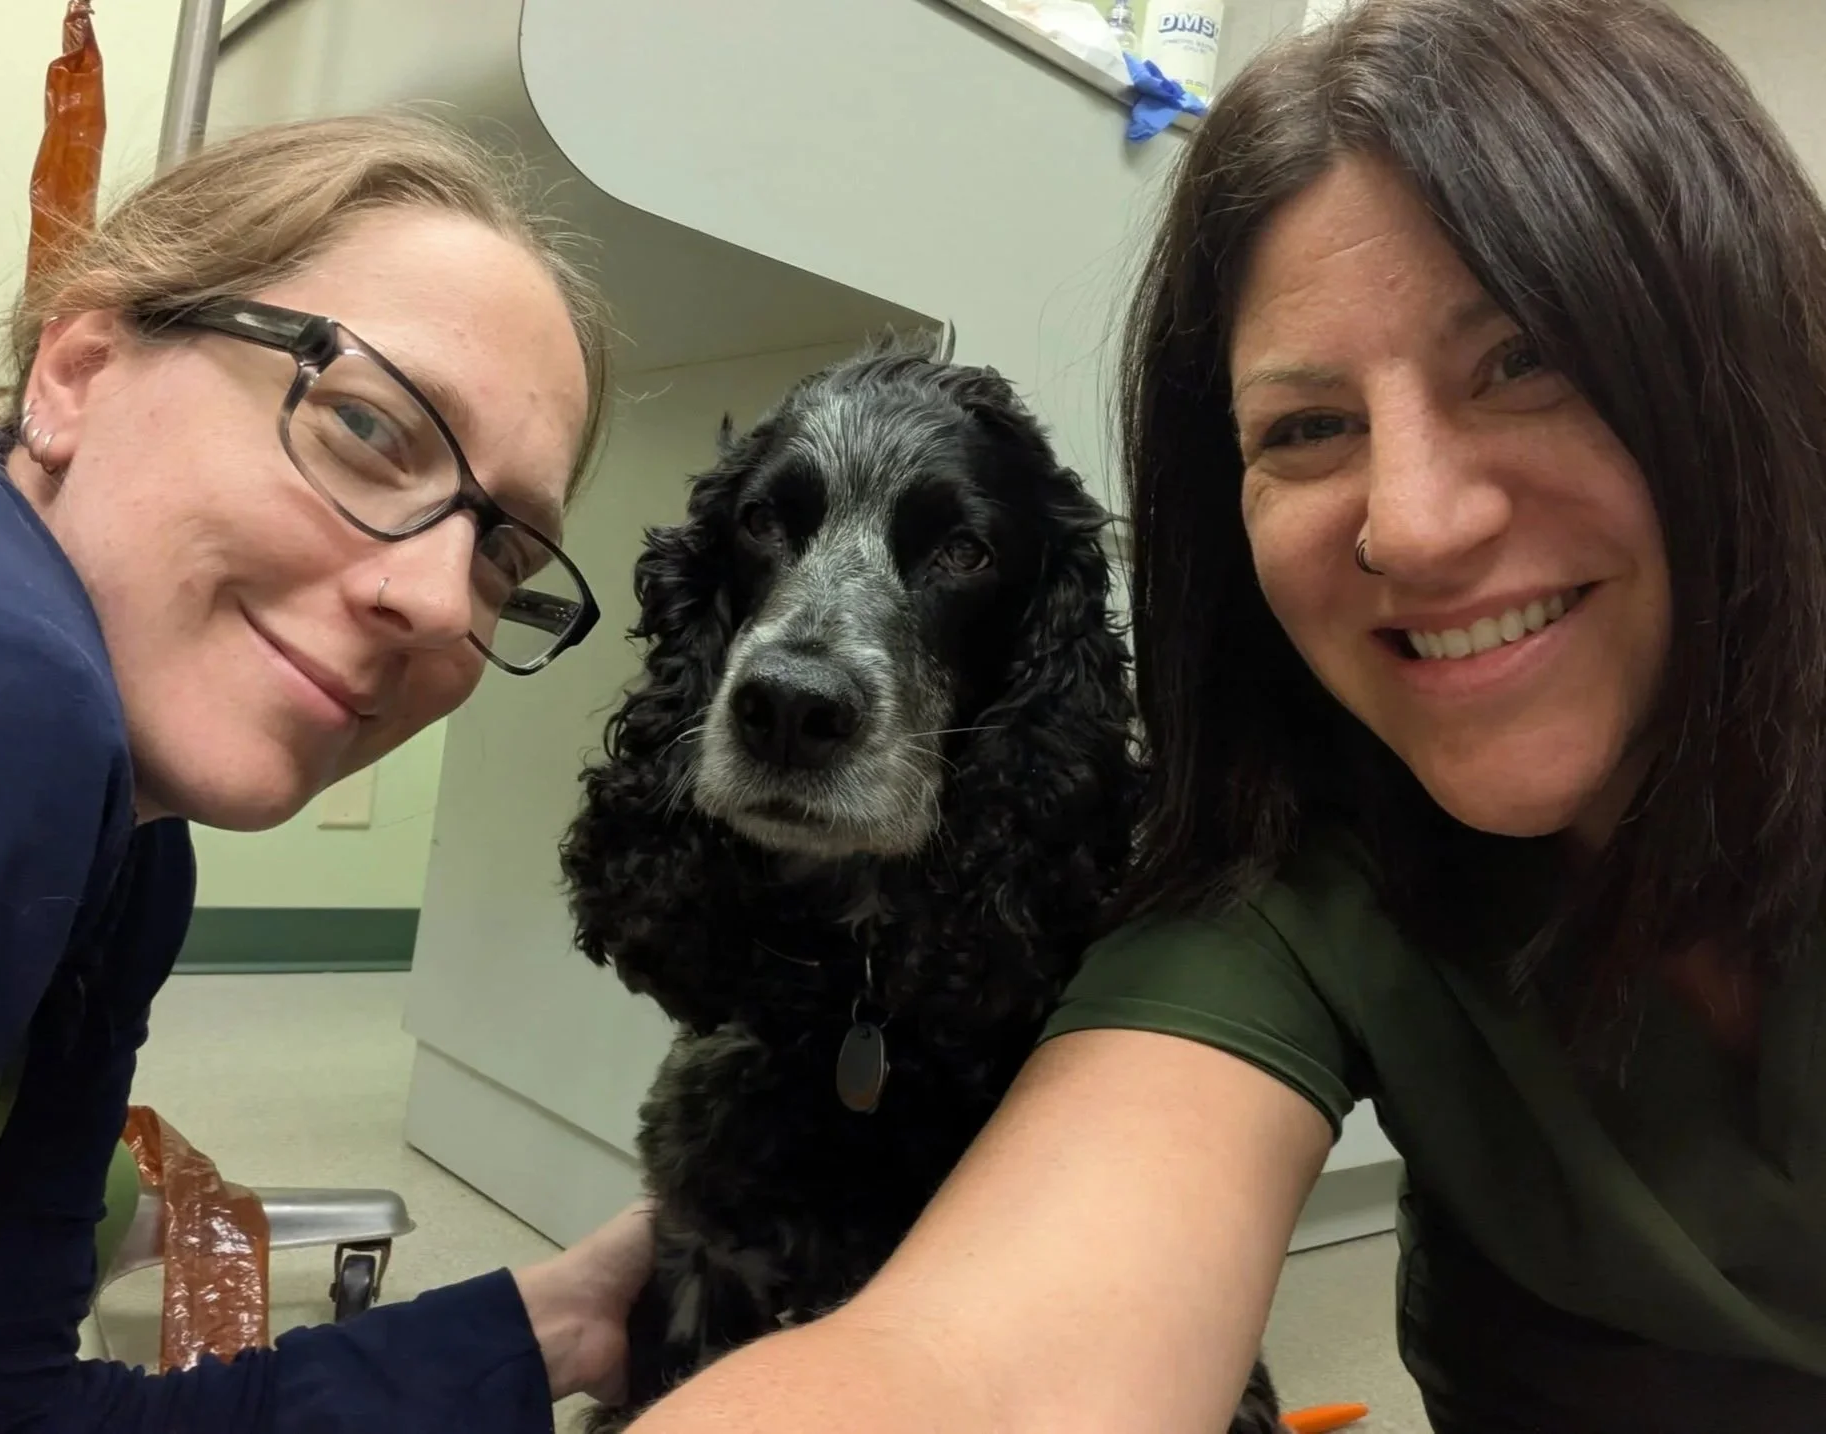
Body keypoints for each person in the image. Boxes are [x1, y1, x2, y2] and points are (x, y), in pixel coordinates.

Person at [601, 1, 1826, 1430]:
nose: (1417, 528)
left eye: (1522, 357)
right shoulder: (1289, 863)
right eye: (1305, 427)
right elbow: (982, 1371)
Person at [0, 112, 655, 1431]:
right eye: (370, 426)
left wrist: (550, 1324)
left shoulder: (136, 846)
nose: (440, 601)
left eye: (505, 558)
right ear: (80, 366)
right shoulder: (3, 685)